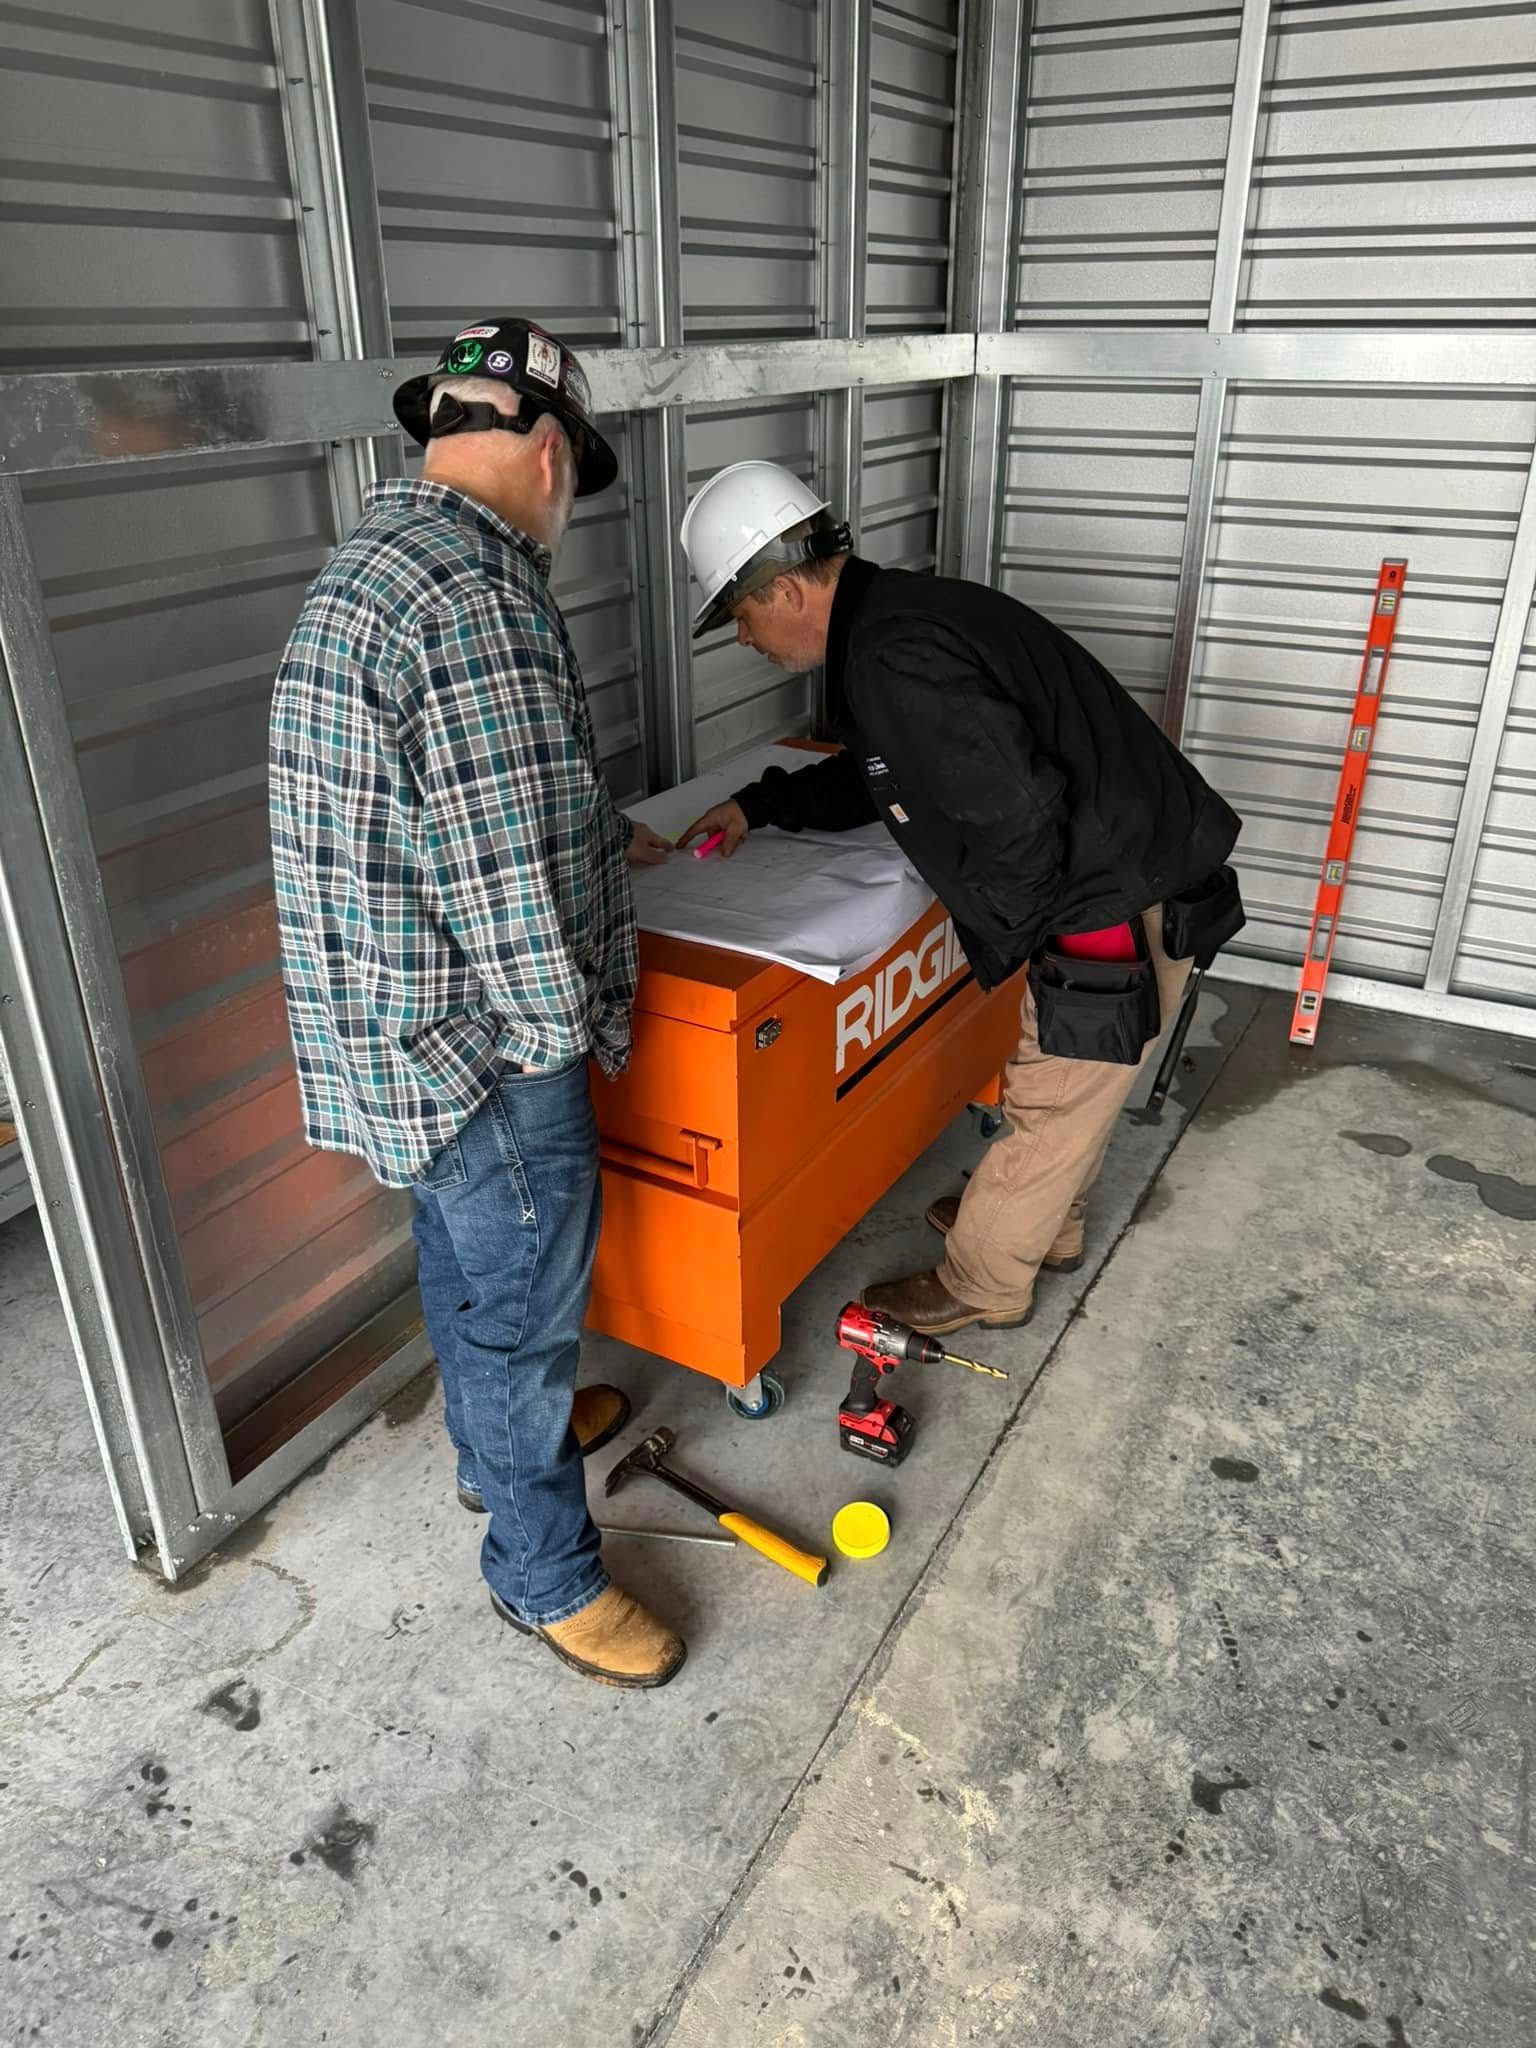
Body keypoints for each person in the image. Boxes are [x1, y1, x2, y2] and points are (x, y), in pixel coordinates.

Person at [270, 317, 683, 1689]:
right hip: (489, 1045)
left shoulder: (380, 564)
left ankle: (494, 1456)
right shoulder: (478, 596)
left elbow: (446, 799)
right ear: (553, 453)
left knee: (461, 1266)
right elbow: (502, 877)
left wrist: (593, 826)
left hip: (400, 1032)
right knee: (523, 1308)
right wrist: (567, 1058)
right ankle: (543, 1573)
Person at [677, 461, 1242, 1337]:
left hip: (1113, 899)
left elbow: (1020, 821)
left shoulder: (895, 656)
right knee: (1072, 1095)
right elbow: (886, 774)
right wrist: (761, 805)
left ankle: (985, 1280)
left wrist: (1012, 942)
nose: (743, 639)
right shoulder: (894, 623)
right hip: (1135, 871)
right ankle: (1043, 1229)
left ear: (785, 589)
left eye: (739, 617)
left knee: (1050, 1100)